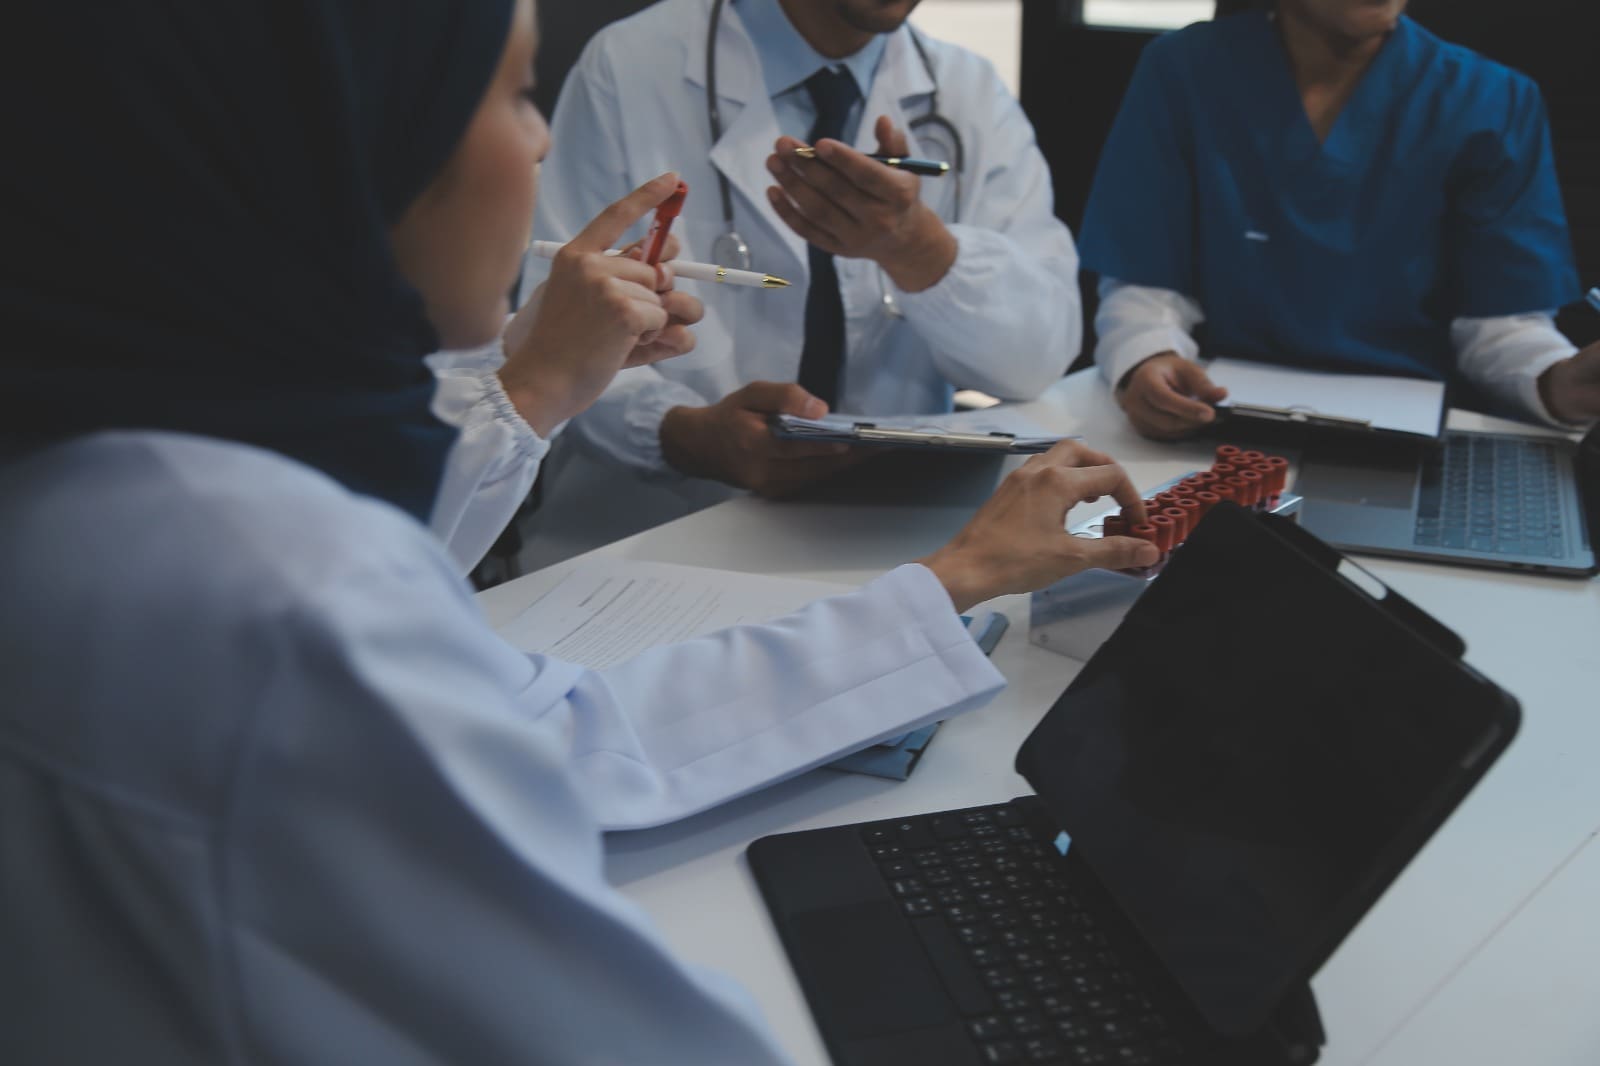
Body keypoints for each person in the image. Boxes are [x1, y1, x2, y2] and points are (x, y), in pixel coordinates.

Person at [0, 1, 1157, 1062]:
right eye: (508, 93)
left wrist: (944, 578)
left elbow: (559, 726)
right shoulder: (265, 590)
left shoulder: (128, 482)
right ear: (343, 134)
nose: (542, 142)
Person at [517, 0, 1082, 560]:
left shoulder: (970, 91)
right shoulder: (629, 64)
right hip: (644, 546)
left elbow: (1034, 359)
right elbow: (544, 340)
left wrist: (921, 251)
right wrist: (682, 434)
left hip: (890, 545)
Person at [1078, 0, 1600, 441]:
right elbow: (1146, 280)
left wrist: (1557, 380)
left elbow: (1501, 323)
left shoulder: (1493, 100)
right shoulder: (1183, 71)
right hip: (1214, 423)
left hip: (1404, 441)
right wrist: (1148, 357)